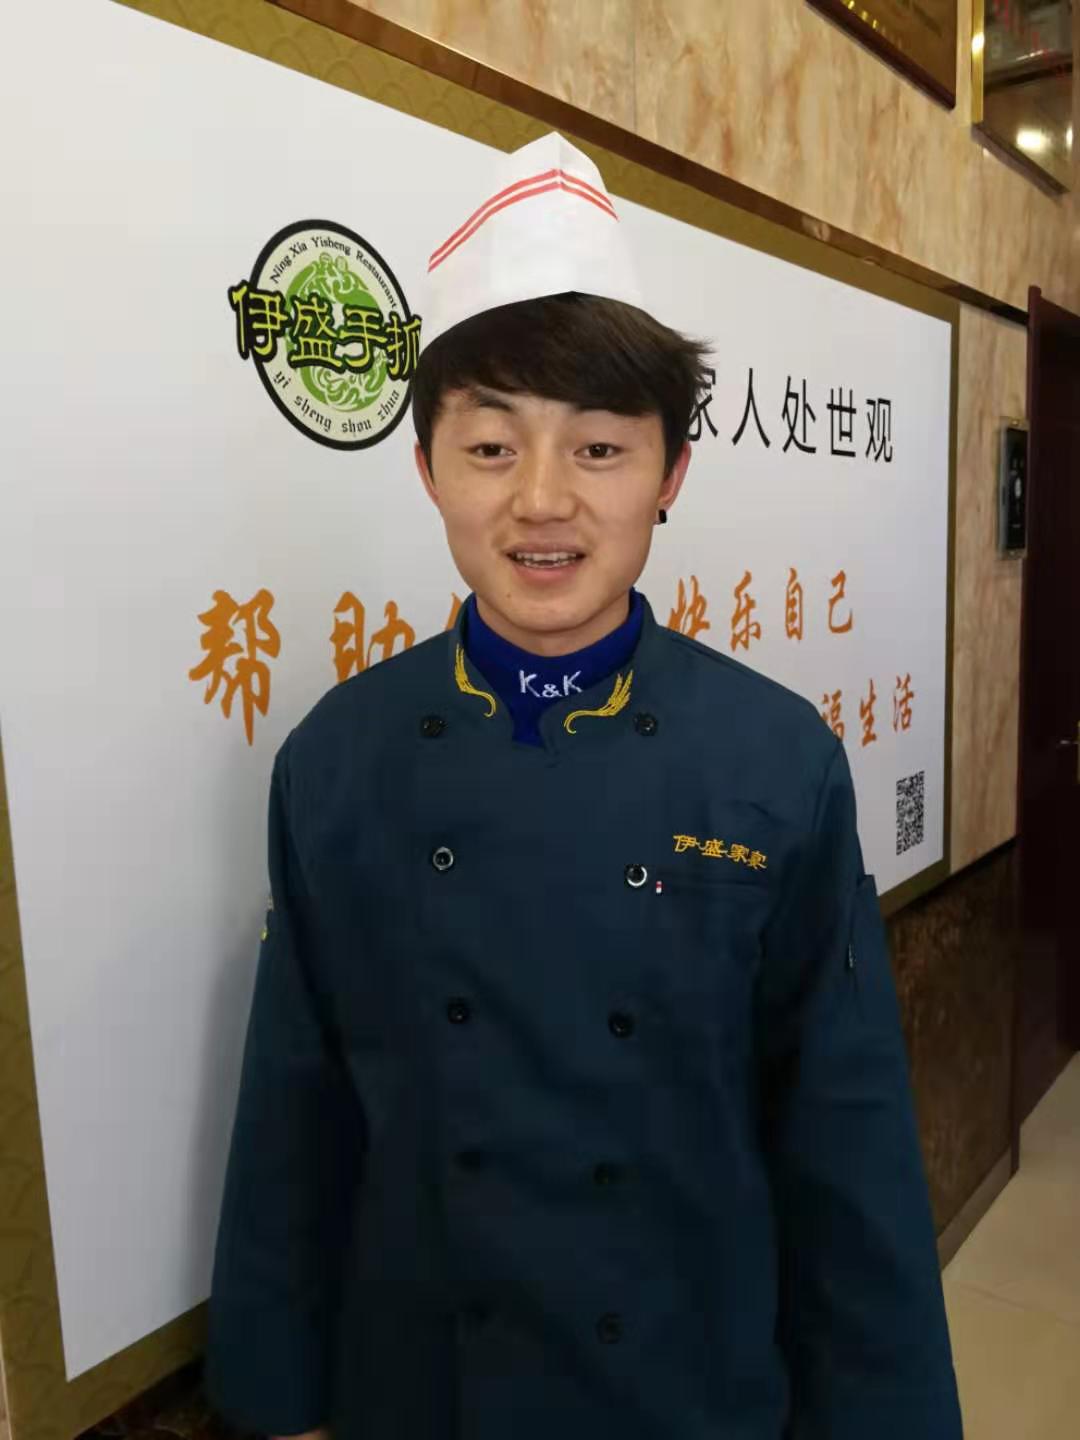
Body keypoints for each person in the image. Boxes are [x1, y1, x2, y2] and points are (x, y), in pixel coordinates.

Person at [206, 132, 962, 1440]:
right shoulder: (337, 759)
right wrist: (281, 1402)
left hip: (691, 1388)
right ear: (427, 468)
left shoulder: (776, 760)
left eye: (600, 450)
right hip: (422, 1396)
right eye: (492, 448)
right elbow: (295, 1113)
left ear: (671, 474)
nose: (543, 502)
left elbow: (846, 1141)